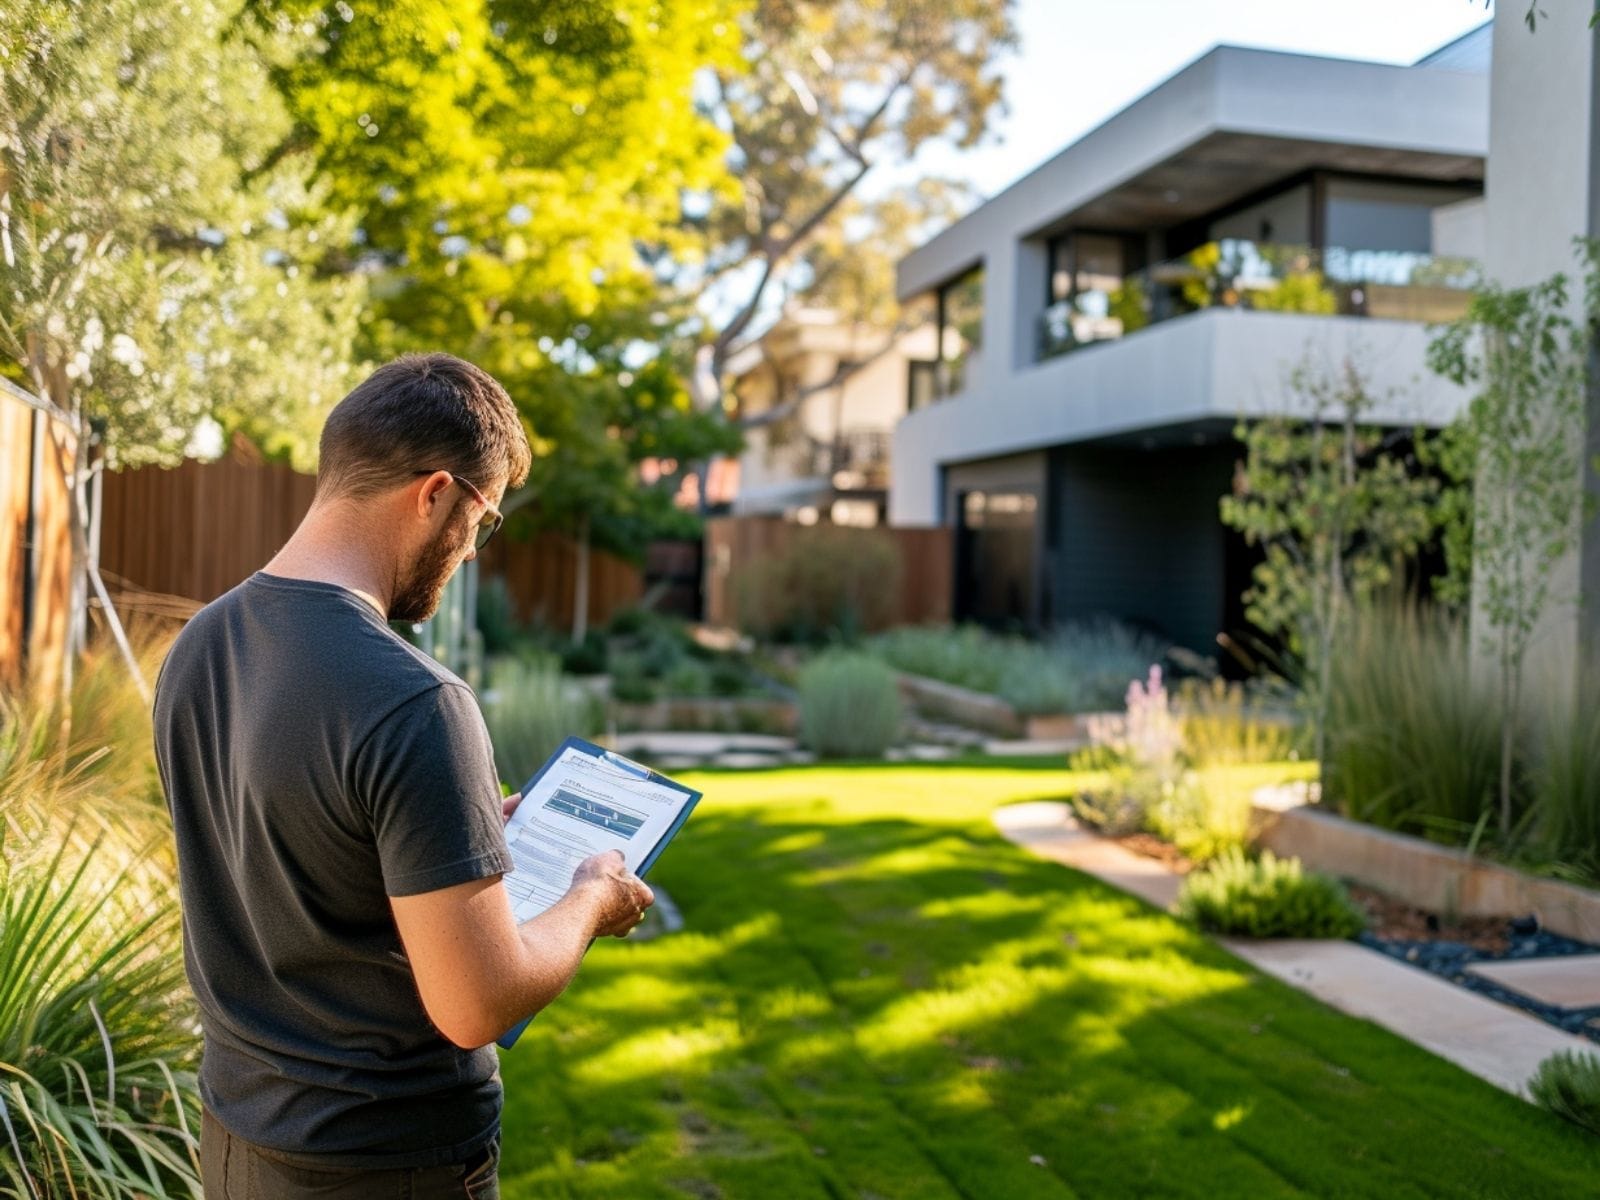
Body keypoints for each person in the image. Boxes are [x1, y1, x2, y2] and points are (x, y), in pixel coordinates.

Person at [153, 353, 654, 1198]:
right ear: (436, 494)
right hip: (385, 1165)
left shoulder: (200, 642)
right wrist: (589, 898)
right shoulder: (415, 700)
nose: (471, 550)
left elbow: (282, 848)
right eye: (482, 521)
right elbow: (477, 1003)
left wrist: (448, 837)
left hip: (237, 1143)